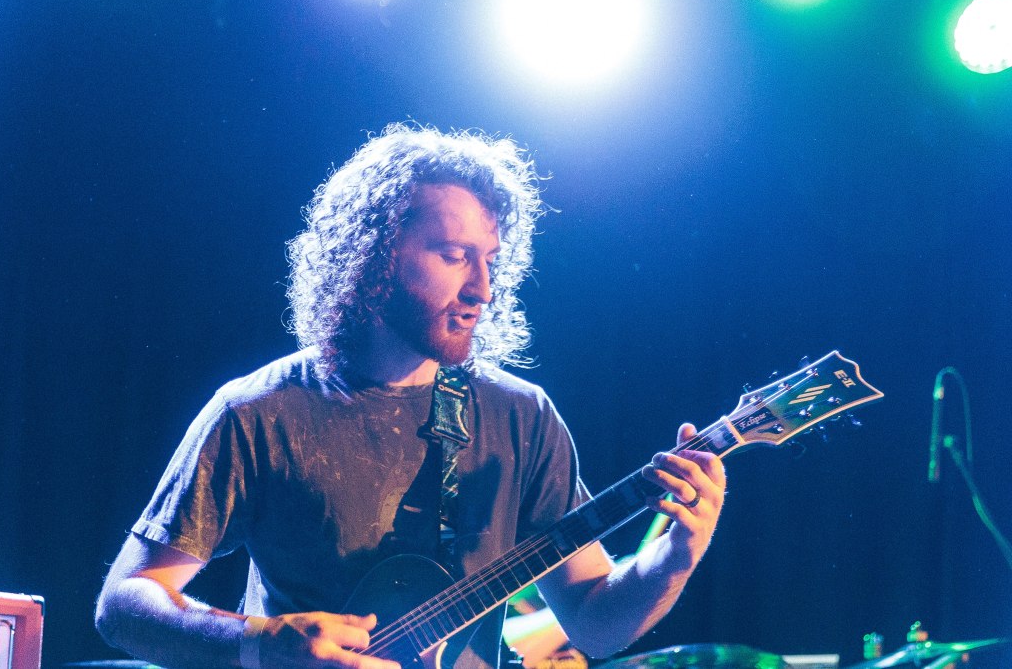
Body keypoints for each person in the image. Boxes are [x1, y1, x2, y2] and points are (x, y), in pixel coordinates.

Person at [94, 123, 726, 669]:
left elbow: (593, 621)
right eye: (454, 256)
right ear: (373, 256)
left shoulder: (522, 417)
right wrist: (258, 642)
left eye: (490, 260)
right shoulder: (261, 413)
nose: (483, 288)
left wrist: (677, 555)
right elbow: (124, 602)